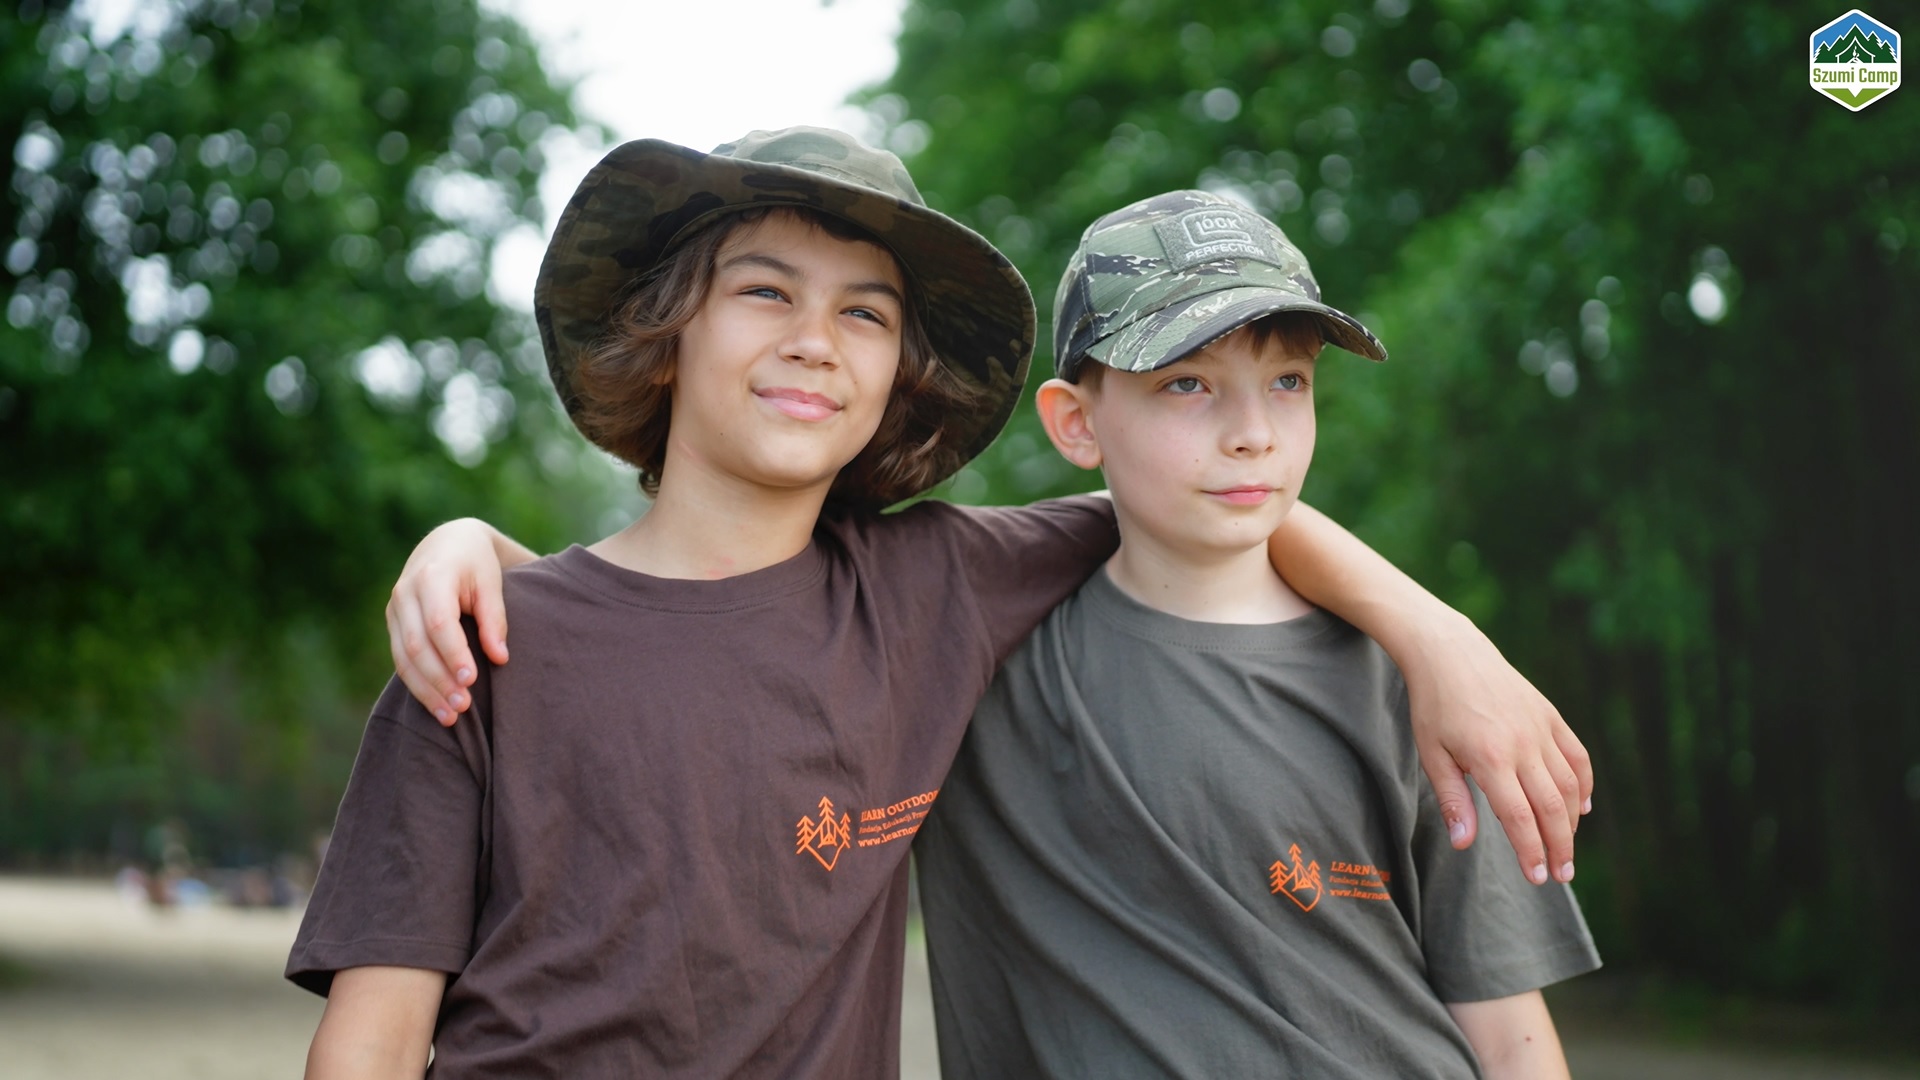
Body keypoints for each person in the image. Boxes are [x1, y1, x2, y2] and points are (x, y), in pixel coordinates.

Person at [300, 128, 1588, 1077]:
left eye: (864, 312)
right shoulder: (483, 644)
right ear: (665, 326)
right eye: (765, 290)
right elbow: (369, 1043)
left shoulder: (934, 591)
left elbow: (1204, 501)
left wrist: (1441, 638)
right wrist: (476, 541)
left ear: (897, 374)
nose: (815, 338)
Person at [913, 190, 1601, 1079]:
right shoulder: (971, 659)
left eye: (1289, 383)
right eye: (1186, 384)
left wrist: (1435, 633)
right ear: (1077, 422)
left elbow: (1511, 1035)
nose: (1252, 435)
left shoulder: (1424, 688)